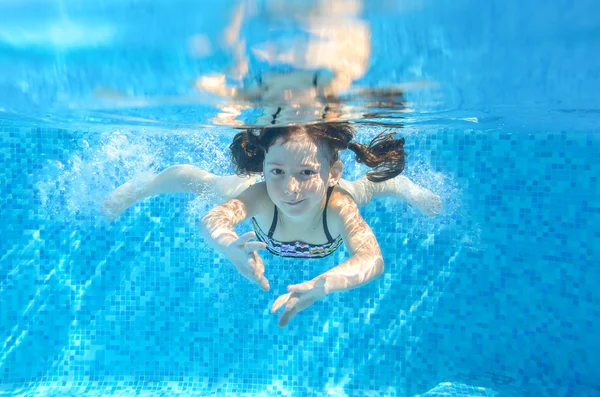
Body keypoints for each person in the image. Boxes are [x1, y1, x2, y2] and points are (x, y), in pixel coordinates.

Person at [103, 122, 442, 327]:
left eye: (307, 172)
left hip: (335, 197)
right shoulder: (263, 195)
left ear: (330, 174)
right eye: (277, 171)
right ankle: (143, 185)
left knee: (369, 187)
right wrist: (226, 245)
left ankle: (404, 186)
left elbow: (372, 258)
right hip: (261, 206)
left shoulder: (339, 207)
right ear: (265, 167)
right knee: (201, 181)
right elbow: (214, 217)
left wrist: (328, 282)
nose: (290, 188)